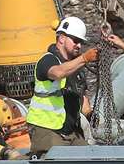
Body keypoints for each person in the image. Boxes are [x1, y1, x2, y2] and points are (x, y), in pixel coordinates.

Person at [25, 15, 99, 154]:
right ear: (62, 38)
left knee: (92, 163)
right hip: (47, 130)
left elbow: (81, 97)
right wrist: (84, 58)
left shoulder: (76, 67)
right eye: (76, 41)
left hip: (70, 131)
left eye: (81, 42)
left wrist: (89, 114)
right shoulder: (47, 60)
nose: (79, 45)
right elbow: (58, 73)